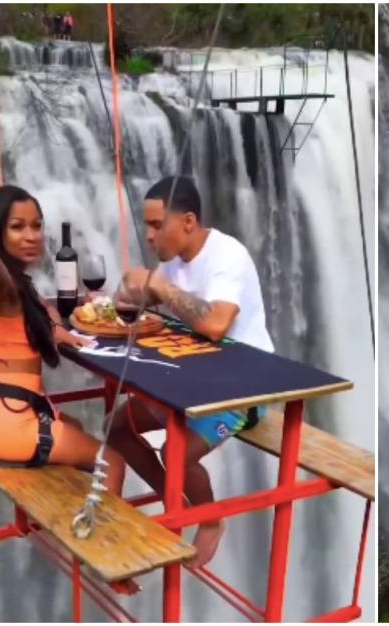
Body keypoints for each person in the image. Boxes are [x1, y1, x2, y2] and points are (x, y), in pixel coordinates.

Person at [108, 175, 274, 568]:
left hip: (247, 385)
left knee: (174, 452)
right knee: (115, 428)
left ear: (187, 222)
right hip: (192, 380)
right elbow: (135, 302)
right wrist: (128, 292)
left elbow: (216, 324)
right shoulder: (175, 263)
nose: (148, 236)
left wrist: (161, 290)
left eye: (155, 225)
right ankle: (181, 503)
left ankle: (210, 519)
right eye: (146, 225)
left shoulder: (226, 257)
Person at [0, 185, 125, 493]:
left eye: (37, 225)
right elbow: (0, 282)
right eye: (17, 227)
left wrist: (57, 329)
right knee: (112, 461)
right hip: (13, 425)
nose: (31, 236)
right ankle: (105, 537)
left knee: (74, 427)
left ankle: (68, 519)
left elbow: (41, 308)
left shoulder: (19, 286)